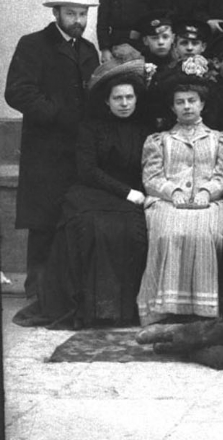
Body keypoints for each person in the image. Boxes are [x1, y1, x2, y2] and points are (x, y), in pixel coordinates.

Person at [14, 49, 151, 328]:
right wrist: (126, 192)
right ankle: (91, 308)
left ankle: (123, 309)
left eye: (129, 97)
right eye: (118, 98)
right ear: (107, 101)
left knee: (130, 229)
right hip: (93, 191)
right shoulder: (91, 127)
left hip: (132, 194)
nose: (124, 103)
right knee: (91, 225)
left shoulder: (143, 129)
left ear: (137, 99)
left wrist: (137, 193)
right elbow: (88, 171)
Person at [5, 0, 100, 301]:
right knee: (43, 221)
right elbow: (17, 91)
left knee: (72, 216)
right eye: (71, 13)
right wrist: (56, 114)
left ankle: (68, 290)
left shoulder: (88, 50)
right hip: (45, 148)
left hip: (78, 148)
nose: (78, 20)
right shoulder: (33, 44)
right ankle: (37, 292)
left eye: (83, 14)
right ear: (56, 13)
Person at [137, 58, 223, 325]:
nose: (187, 106)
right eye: (180, 102)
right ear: (172, 107)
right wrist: (172, 191)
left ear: (202, 104)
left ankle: (201, 309)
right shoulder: (160, 140)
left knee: (206, 234)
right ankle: (164, 307)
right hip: (166, 201)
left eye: (192, 100)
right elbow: (151, 177)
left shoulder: (219, 139)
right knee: (169, 233)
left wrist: (207, 192)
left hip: (209, 202)